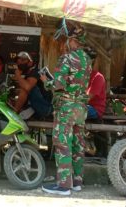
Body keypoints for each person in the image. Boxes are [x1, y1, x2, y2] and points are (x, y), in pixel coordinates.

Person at [41, 20, 92, 196]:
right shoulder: (87, 60)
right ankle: (77, 181)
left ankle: (64, 185)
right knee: (78, 143)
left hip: (67, 107)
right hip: (81, 108)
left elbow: (58, 85)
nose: (66, 43)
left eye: (68, 40)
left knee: (63, 143)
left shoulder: (67, 58)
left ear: (72, 40)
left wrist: (46, 81)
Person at [13, 51, 52, 119]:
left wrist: (18, 75)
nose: (20, 63)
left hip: (46, 108)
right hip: (39, 108)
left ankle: (13, 114)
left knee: (25, 88)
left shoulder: (36, 72)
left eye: (23, 61)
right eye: (18, 62)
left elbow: (27, 88)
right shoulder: (28, 76)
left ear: (30, 62)